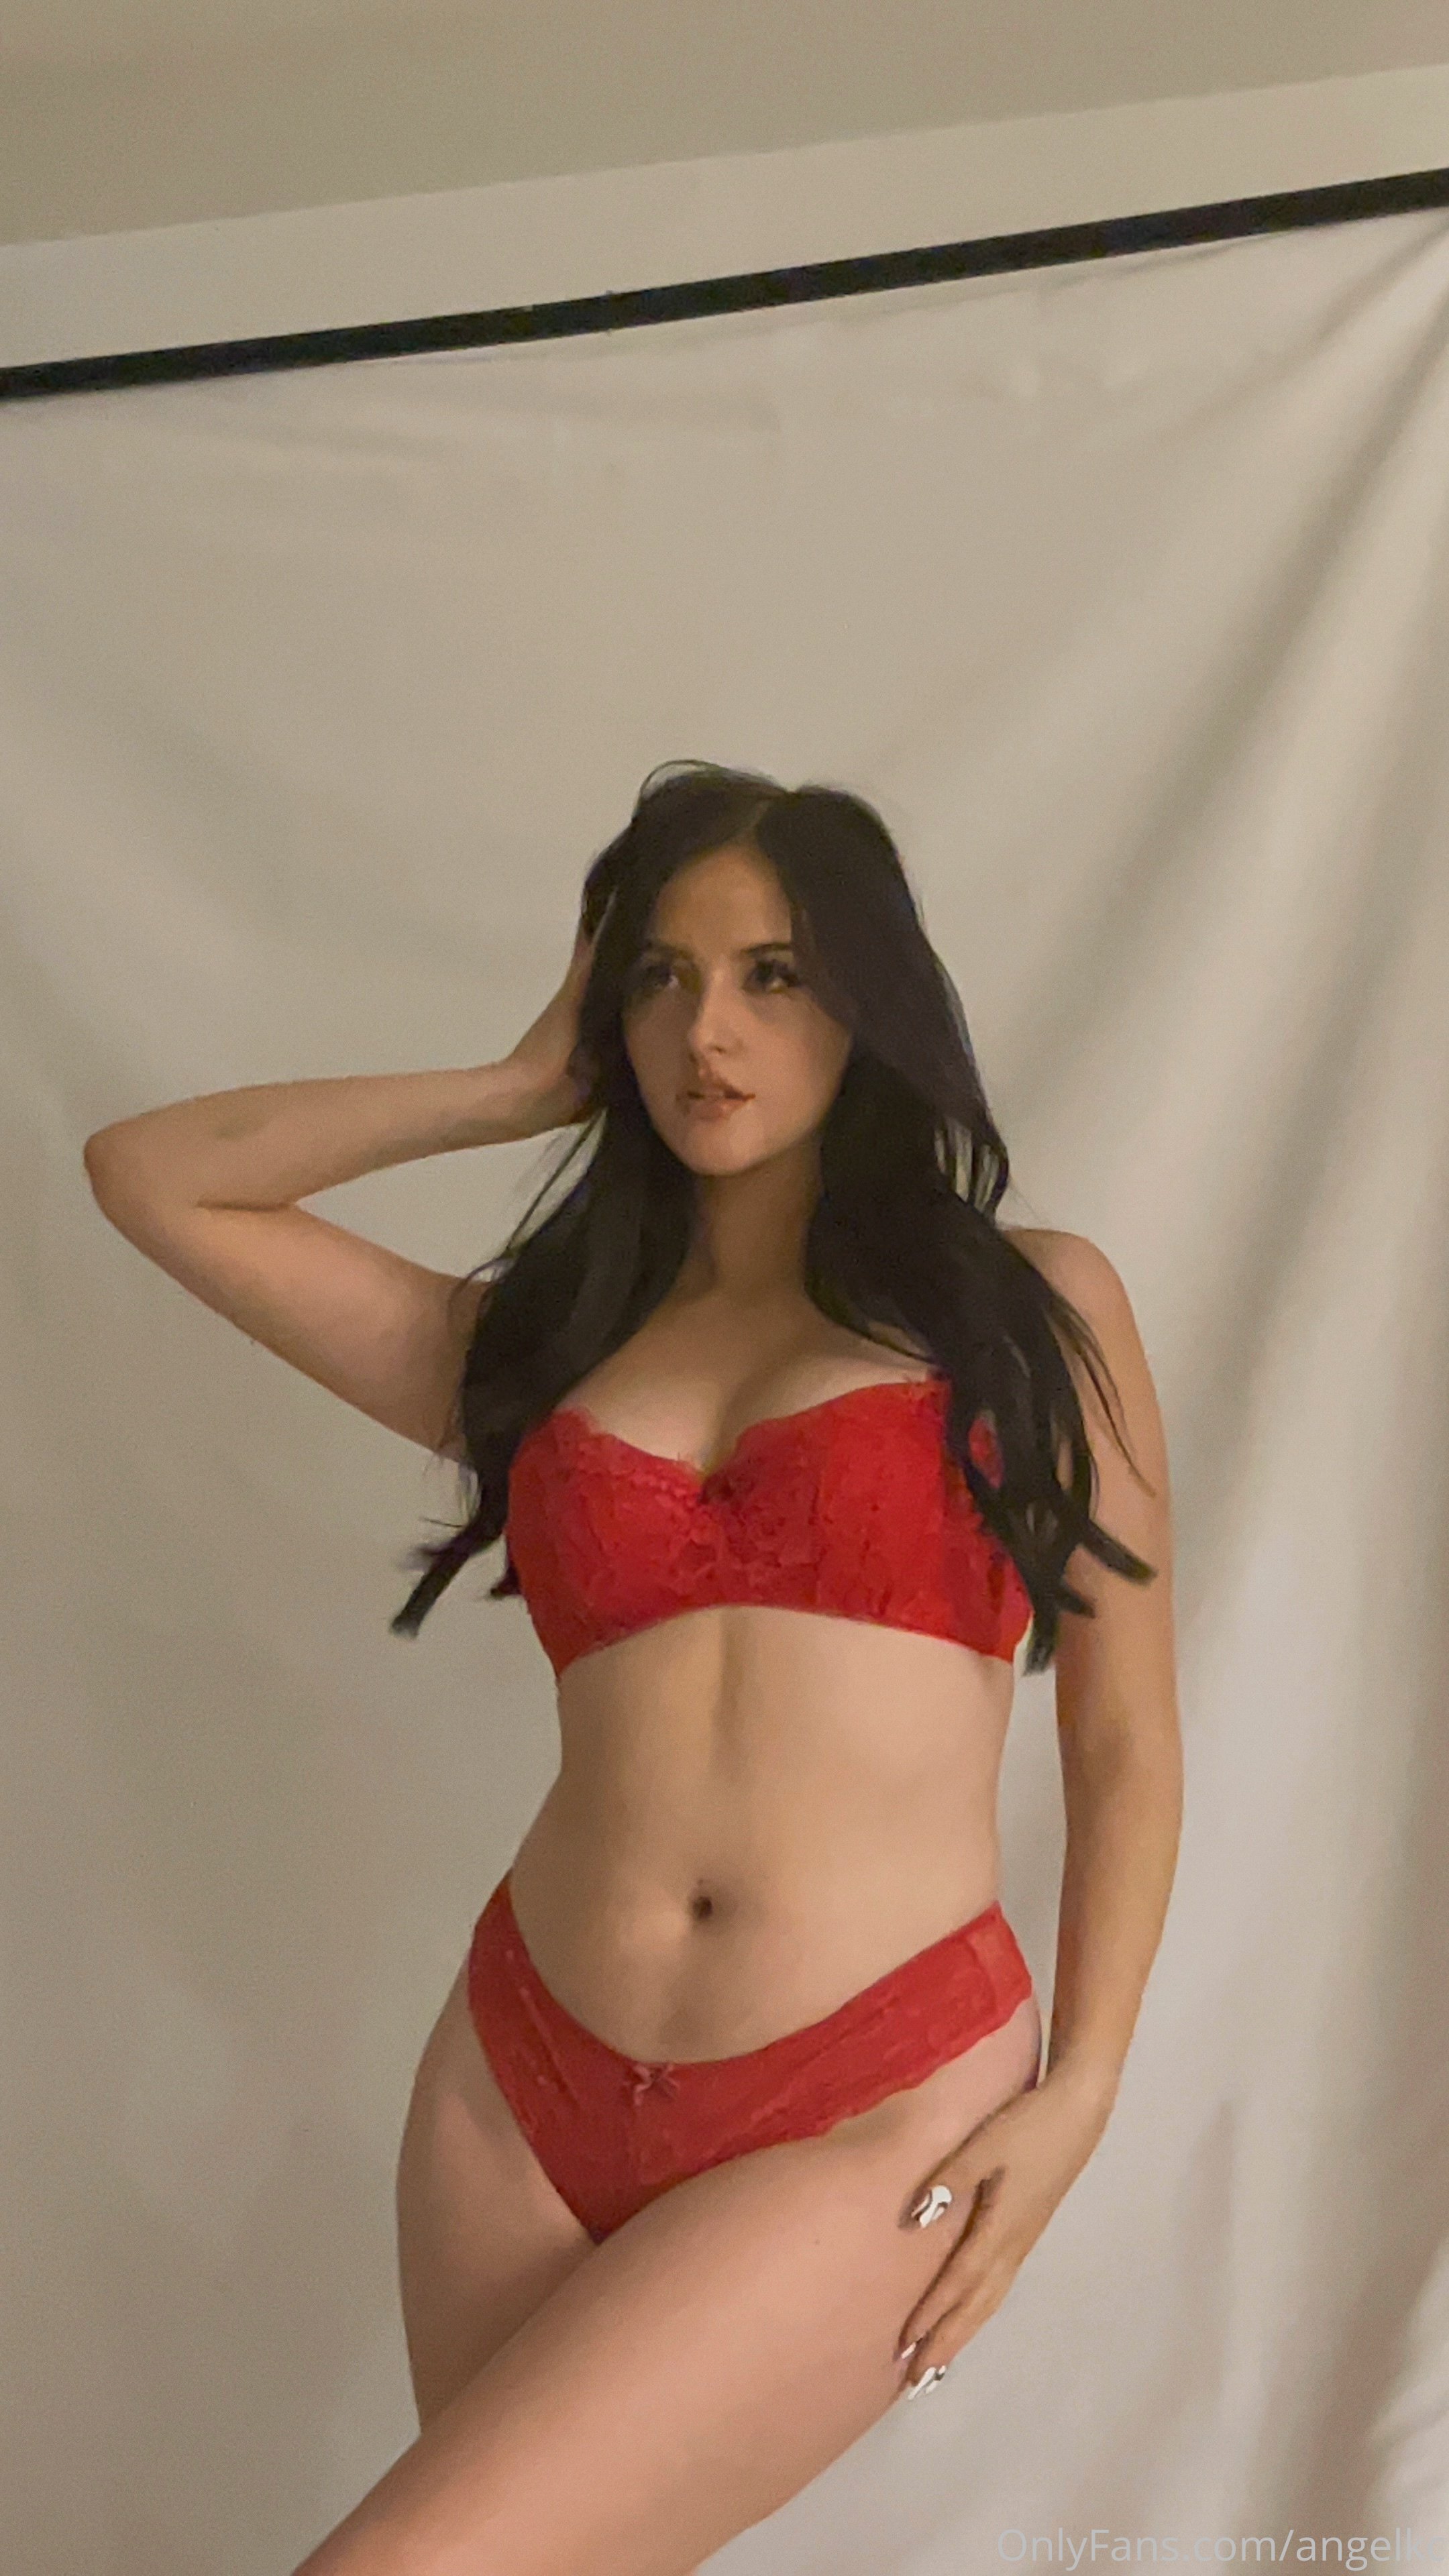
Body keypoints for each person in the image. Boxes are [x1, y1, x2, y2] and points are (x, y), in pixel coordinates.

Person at [83, 759, 1183, 2576]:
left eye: (773, 974)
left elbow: (1125, 1729)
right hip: (521, 2082)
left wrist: (1089, 2087)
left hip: (873, 2089)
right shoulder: (543, 1351)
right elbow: (154, 1178)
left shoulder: (1029, 1311)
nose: (706, 1030)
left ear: (869, 1002)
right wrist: (513, 1089)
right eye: (661, 977)